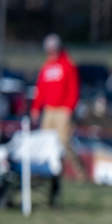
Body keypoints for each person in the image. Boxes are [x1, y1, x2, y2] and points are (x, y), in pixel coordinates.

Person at [32, 34, 85, 187]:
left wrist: (70, 107)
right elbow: (40, 88)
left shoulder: (68, 64)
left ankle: (79, 172)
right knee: (45, 141)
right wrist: (36, 107)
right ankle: (47, 173)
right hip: (48, 109)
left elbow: (74, 88)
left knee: (64, 141)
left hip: (63, 110)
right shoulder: (46, 66)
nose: (51, 52)